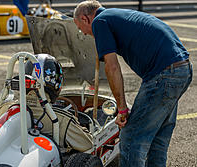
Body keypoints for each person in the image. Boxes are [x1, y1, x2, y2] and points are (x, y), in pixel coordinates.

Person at [73, 1, 193, 166]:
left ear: (85, 18)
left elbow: (112, 67)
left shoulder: (99, 22)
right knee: (158, 137)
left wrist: (122, 108)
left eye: (80, 28)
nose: (84, 34)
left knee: (131, 136)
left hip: (164, 74)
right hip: (182, 69)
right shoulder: (117, 15)